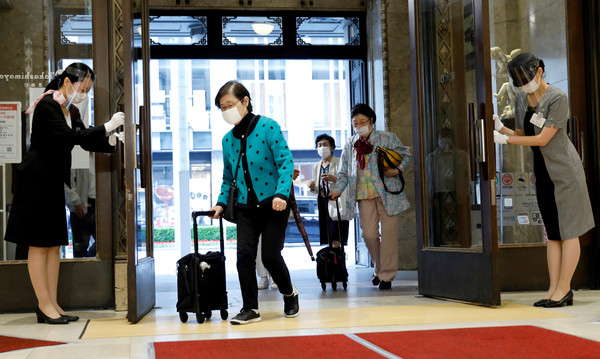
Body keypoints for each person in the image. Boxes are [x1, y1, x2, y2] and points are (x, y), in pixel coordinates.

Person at [3, 63, 125, 324]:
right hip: (36, 182)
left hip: (52, 183)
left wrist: (110, 141)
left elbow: (83, 138)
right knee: (38, 244)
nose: (84, 93)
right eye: (82, 88)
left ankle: (52, 304)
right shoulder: (47, 105)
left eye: (88, 90)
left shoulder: (68, 108)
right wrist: (106, 126)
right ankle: (44, 305)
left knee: (53, 245)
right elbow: (69, 137)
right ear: (67, 82)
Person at [493, 52, 595, 307]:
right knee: (553, 232)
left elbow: (542, 139)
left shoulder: (557, 98)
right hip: (542, 170)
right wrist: (500, 128)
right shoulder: (519, 98)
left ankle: (565, 289)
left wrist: (507, 140)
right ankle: (552, 289)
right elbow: (520, 132)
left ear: (539, 71)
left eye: (527, 79)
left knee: (569, 231)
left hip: (565, 171)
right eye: (520, 82)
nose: (525, 86)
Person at [209, 80, 298, 325]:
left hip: (273, 203)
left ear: (245, 101)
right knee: (244, 257)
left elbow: (285, 163)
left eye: (230, 104)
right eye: (222, 107)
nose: (226, 110)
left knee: (270, 256)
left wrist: (282, 194)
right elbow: (228, 178)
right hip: (245, 207)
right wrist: (220, 203)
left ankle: (289, 294)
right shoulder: (228, 140)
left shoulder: (268, 127)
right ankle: (250, 308)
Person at [330, 103, 412, 290]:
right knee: (369, 235)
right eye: (355, 123)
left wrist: (396, 170)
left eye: (362, 122)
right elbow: (344, 172)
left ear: (371, 121)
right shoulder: (351, 143)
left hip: (388, 195)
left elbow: (406, 154)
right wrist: (338, 190)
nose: (359, 126)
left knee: (389, 236)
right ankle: (379, 266)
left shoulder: (386, 138)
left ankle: (386, 276)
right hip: (363, 195)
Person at [308, 134, 350, 248]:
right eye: (319, 145)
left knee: (337, 233)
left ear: (331, 148)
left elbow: (349, 180)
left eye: (325, 145)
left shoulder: (340, 162)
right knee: (327, 235)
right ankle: (332, 260)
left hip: (337, 201)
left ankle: (338, 259)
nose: (322, 148)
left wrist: (334, 179)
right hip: (323, 202)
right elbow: (318, 187)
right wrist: (312, 186)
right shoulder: (316, 166)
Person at [64, 153, 96, 258]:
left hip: (100, 203)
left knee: (105, 242)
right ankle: (81, 270)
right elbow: (68, 182)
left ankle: (90, 261)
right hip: (81, 203)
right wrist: (75, 202)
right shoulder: (79, 154)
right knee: (79, 246)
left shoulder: (101, 156)